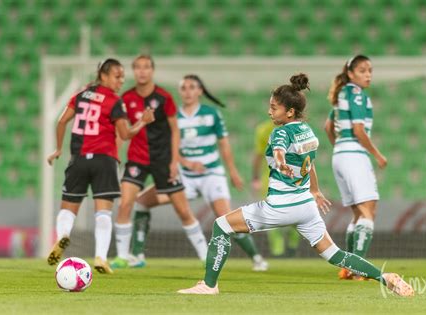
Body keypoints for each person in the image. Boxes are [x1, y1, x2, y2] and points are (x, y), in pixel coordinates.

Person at [177, 73, 413, 297]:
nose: (269, 112)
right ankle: (385, 277)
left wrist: (281, 164)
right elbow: (309, 164)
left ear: (289, 112)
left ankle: (209, 285)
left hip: (279, 206)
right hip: (306, 207)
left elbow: (279, 152)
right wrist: (315, 190)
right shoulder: (307, 131)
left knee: (221, 226)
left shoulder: (280, 132)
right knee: (335, 254)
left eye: (273, 108)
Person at [127, 74, 268, 270]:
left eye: (192, 87)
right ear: (180, 91)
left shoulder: (211, 113)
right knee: (142, 202)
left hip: (212, 175)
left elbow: (224, 144)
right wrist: (186, 162)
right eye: (184, 88)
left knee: (226, 218)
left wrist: (233, 172)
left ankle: (257, 258)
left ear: (200, 91)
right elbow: (171, 147)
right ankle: (136, 255)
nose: (188, 91)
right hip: (185, 177)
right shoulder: (173, 116)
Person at [46, 58, 155, 274]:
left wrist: (58, 149)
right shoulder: (115, 101)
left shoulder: (81, 93)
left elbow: (61, 121)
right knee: (103, 212)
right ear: (103, 76)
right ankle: (101, 258)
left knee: (68, 209)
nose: (121, 80)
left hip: (77, 159)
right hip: (104, 160)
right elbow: (125, 134)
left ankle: (63, 237)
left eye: (123, 76)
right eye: (117, 76)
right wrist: (143, 121)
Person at [111, 55, 208, 269]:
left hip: (163, 160)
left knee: (182, 210)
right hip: (137, 158)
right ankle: (122, 255)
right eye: (138, 68)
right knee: (125, 203)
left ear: (152, 71)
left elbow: (175, 130)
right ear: (134, 71)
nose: (142, 71)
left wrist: (174, 161)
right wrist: (114, 156)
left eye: (146, 67)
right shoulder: (126, 98)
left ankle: (205, 255)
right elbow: (122, 131)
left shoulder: (164, 98)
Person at [325, 55, 387, 280]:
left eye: (370, 70)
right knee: (368, 212)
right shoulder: (356, 93)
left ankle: (349, 266)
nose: (368, 74)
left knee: (358, 213)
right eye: (362, 70)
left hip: (341, 155)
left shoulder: (343, 94)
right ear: (351, 73)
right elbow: (359, 130)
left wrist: (340, 147)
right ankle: (357, 268)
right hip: (354, 155)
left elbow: (327, 126)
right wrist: (377, 155)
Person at [252, 120, 301, 258]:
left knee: (284, 213)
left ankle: (285, 249)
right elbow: (258, 155)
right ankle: (282, 250)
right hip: (277, 177)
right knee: (276, 213)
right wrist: (255, 178)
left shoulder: (265, 129)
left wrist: (255, 177)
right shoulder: (264, 129)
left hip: (284, 177)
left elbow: (257, 156)